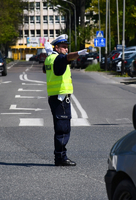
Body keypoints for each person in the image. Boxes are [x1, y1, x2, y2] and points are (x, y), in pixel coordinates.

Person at [43, 34, 88, 166]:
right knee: (63, 129)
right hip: (60, 98)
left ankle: (60, 156)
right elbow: (67, 58)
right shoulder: (59, 58)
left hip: (55, 97)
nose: (66, 49)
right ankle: (61, 157)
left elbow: (46, 71)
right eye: (63, 47)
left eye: (67, 47)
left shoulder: (50, 58)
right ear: (56, 47)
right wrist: (79, 53)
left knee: (61, 127)